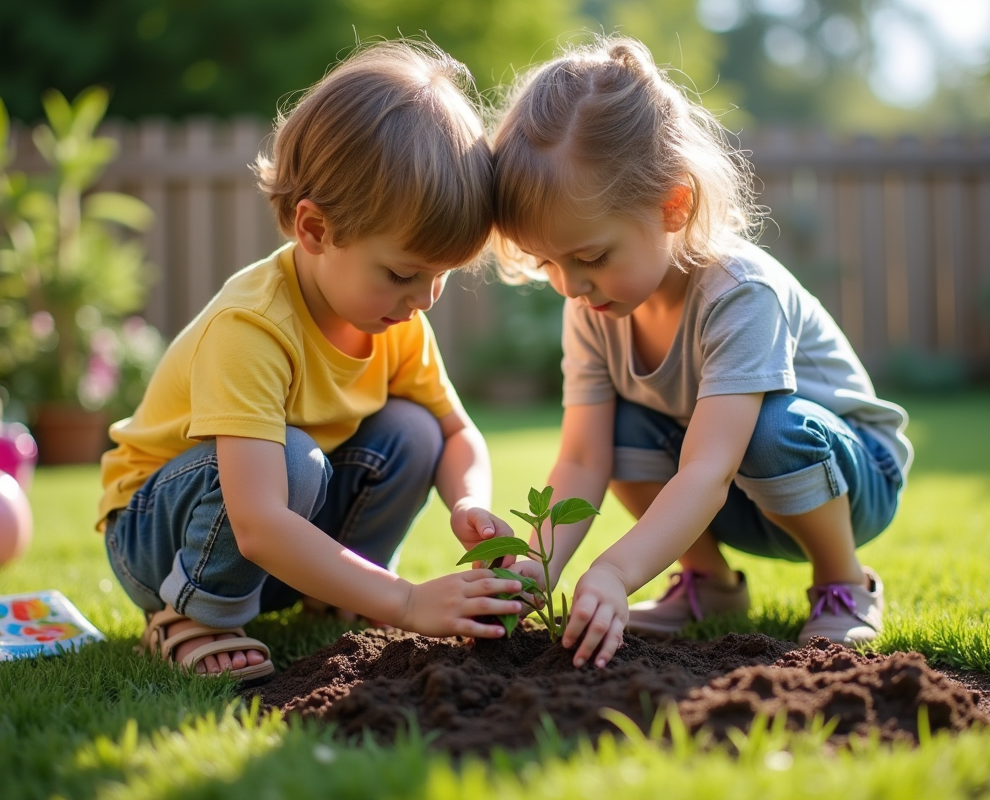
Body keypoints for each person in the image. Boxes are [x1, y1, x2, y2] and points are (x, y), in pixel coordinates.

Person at [97, 41, 525, 682]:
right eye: (405, 272)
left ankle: (335, 593)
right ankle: (194, 614)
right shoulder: (252, 327)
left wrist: (469, 503)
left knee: (415, 430)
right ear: (316, 230)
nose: (425, 298)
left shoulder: (396, 318)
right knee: (291, 459)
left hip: (273, 533)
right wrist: (406, 601)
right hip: (160, 537)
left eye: (440, 275)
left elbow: (458, 432)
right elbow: (260, 522)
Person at [490, 36, 912, 670]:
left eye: (591, 257)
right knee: (623, 426)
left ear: (672, 204)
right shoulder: (593, 308)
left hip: (848, 480)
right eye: (548, 262)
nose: (570, 286)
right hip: (737, 490)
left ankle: (844, 583)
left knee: (772, 426)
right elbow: (582, 459)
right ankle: (708, 586)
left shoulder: (740, 293)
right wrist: (532, 570)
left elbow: (709, 471)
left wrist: (613, 571)